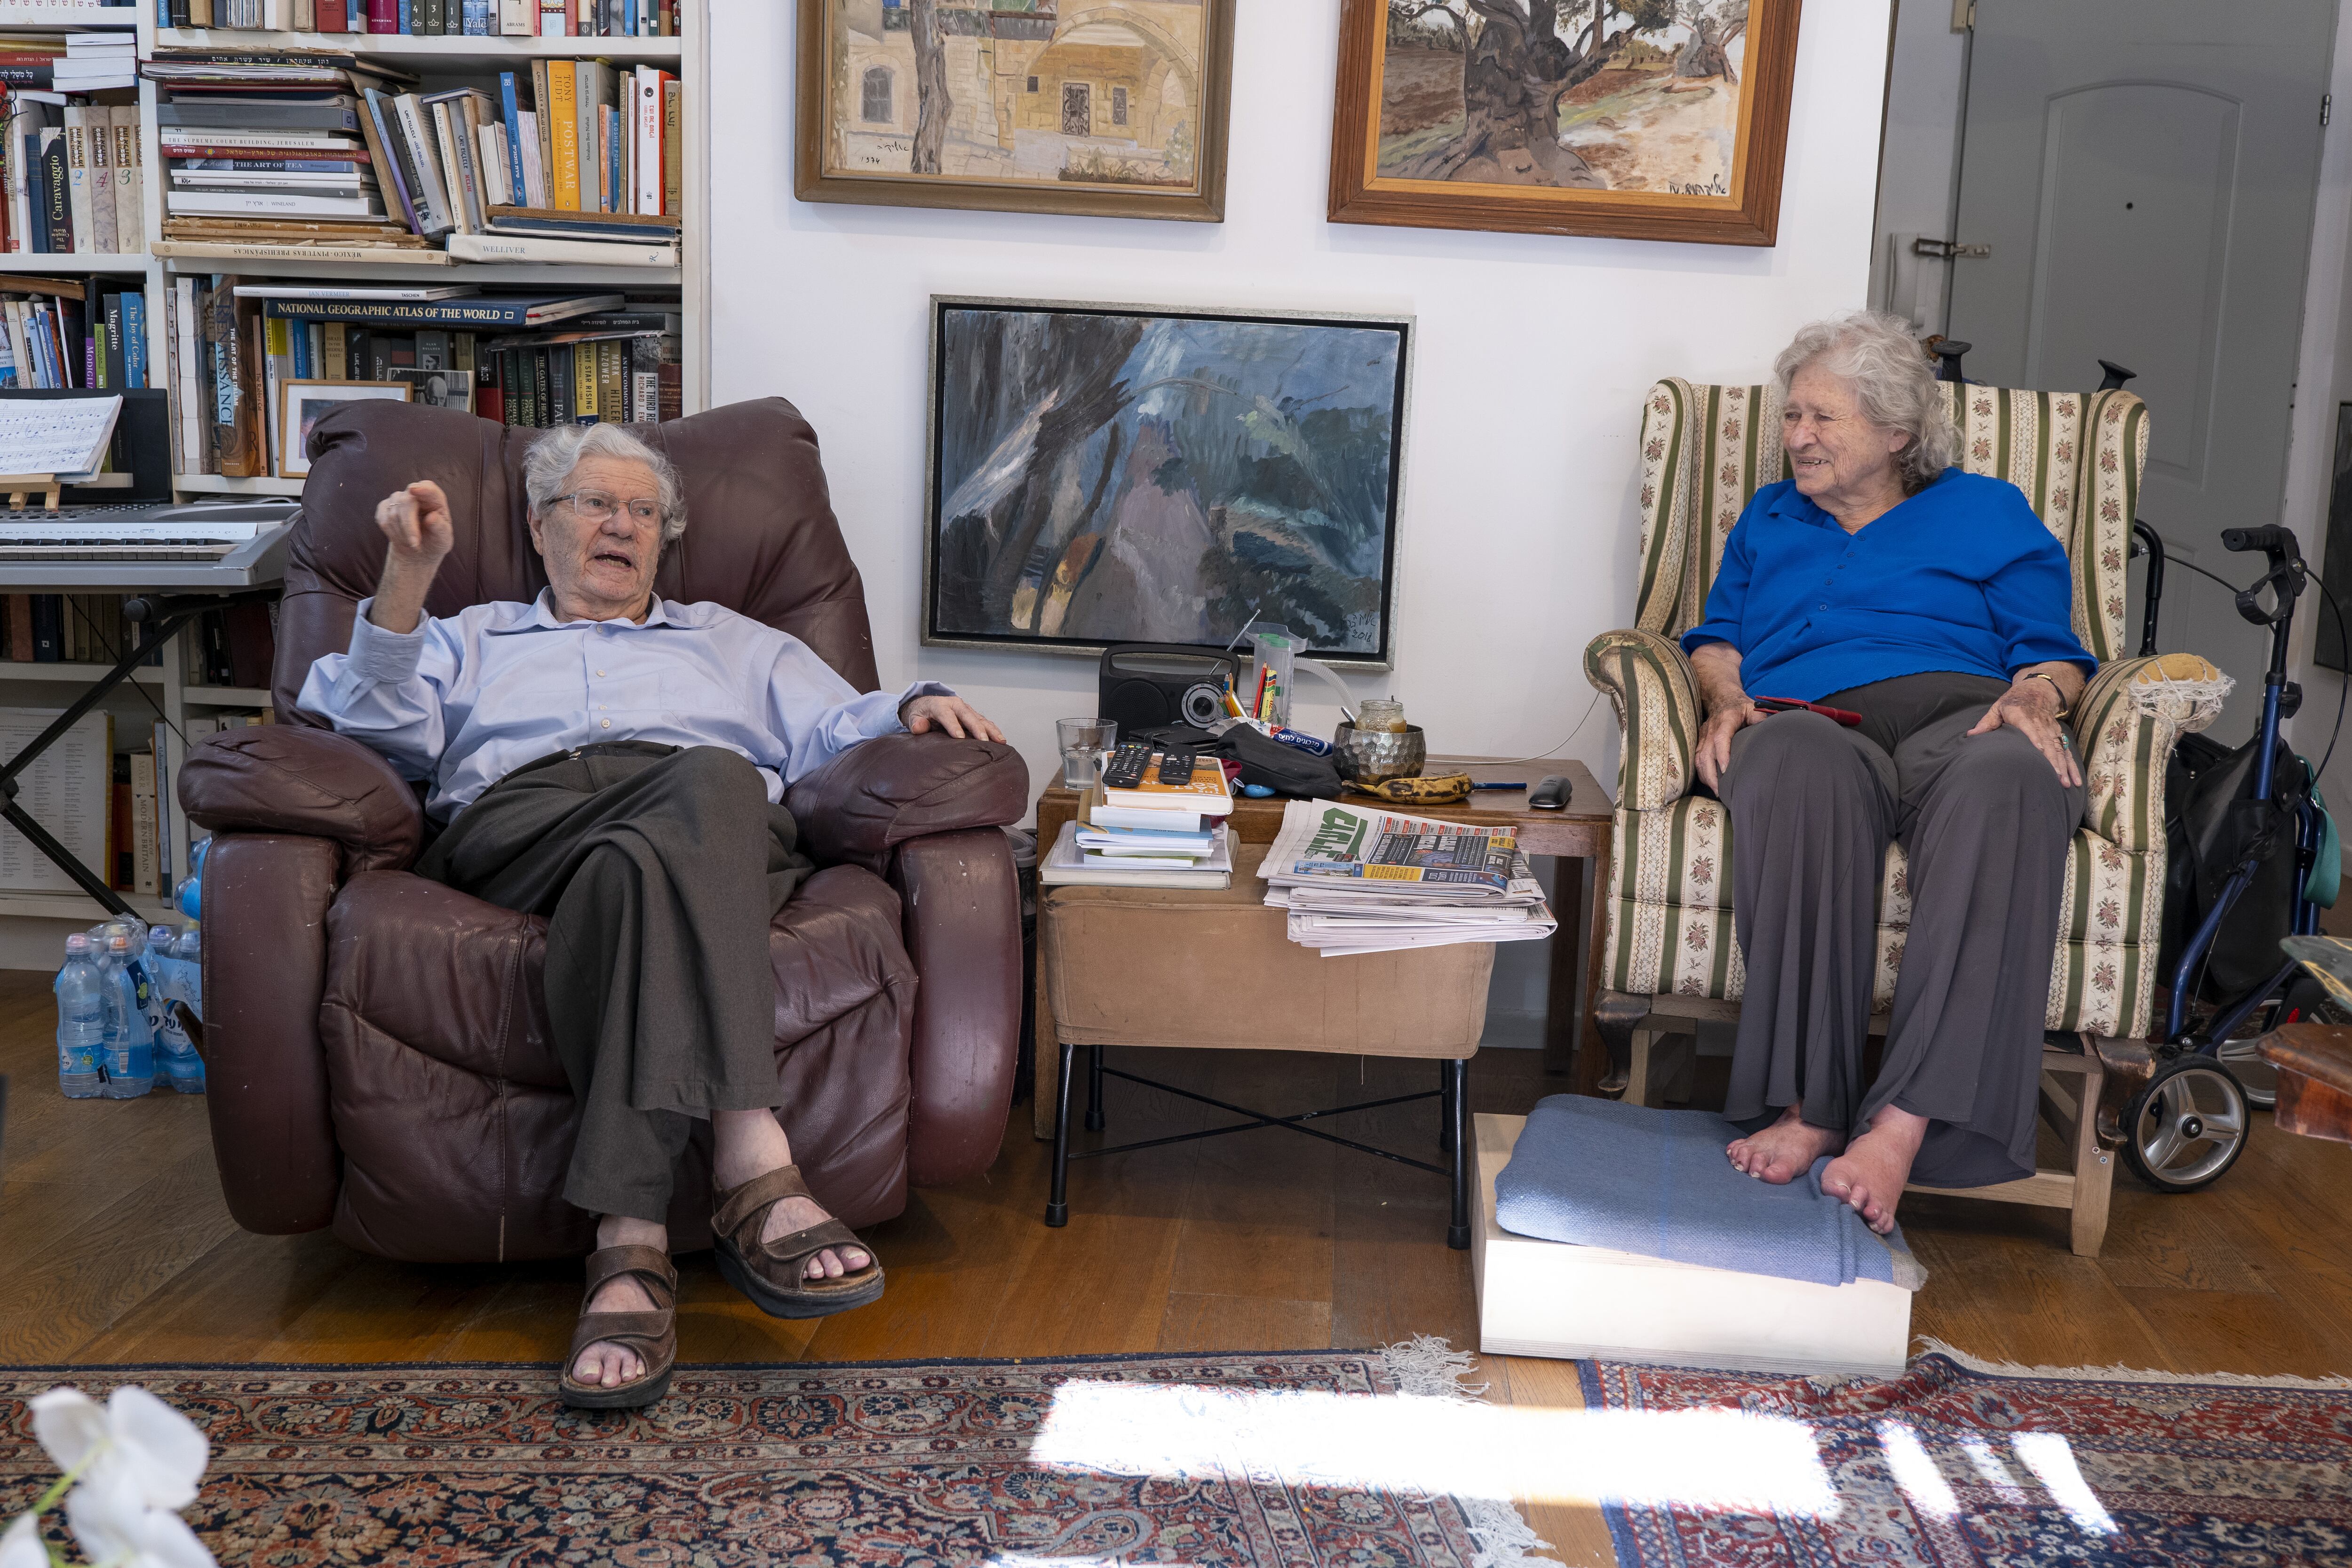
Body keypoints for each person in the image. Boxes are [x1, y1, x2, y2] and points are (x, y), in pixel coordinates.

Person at [298, 422, 1005, 1409]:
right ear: (542, 525)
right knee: (707, 784)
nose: (623, 525)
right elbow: (367, 722)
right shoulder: (470, 635)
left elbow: (842, 719)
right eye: (596, 503)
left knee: (672, 828)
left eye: (644, 511)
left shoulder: (732, 638)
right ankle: (752, 1152)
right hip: (528, 822)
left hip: (705, 831)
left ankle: (626, 1244)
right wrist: (409, 575)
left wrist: (919, 702)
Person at [1682, 310, 2093, 1236]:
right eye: (1791, 416)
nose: (1797, 438)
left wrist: (2034, 700)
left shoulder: (1988, 510)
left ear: (1898, 431)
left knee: (2012, 779)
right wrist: (1722, 697)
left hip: (1963, 712)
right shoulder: (1769, 516)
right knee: (1787, 759)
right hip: (1813, 718)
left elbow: (2053, 651)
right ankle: (1809, 1103)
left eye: (1821, 418)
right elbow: (1716, 636)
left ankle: (1906, 1122)